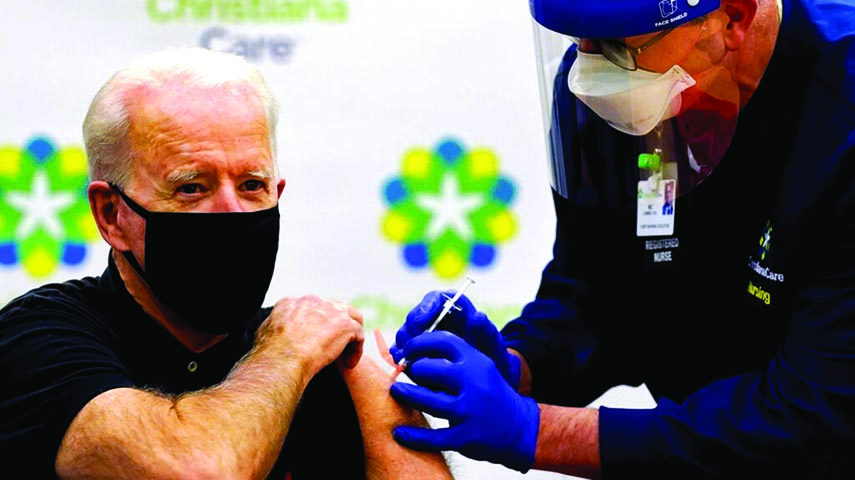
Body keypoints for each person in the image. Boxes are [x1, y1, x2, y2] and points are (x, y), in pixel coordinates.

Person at [388, 0, 855, 478]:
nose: (588, 75)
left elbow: (813, 421)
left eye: (614, 47)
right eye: (577, 42)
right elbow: (598, 293)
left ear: (733, 17)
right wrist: (518, 365)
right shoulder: (611, 90)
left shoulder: (842, 122)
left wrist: (530, 430)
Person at [0, 48, 451, 479]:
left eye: (252, 185)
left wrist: (372, 384)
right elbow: (195, 471)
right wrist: (287, 355)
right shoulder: (36, 338)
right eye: (192, 188)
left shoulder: (330, 360)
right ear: (111, 215)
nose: (233, 214)